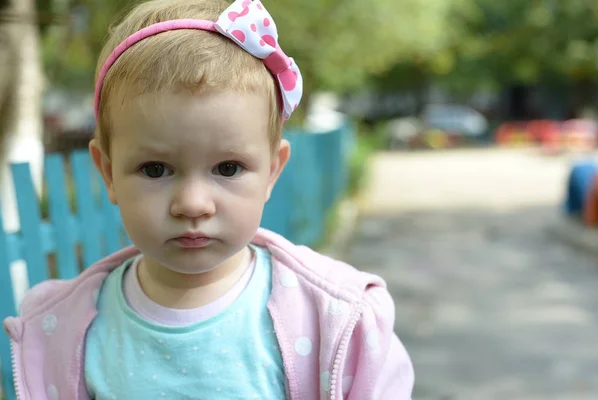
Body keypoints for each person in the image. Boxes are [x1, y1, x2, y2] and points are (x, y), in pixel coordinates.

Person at [3, 0, 414, 398]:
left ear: (273, 170)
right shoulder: (68, 332)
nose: (194, 204)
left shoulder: (333, 321)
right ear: (108, 172)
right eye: (155, 169)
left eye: (228, 168)